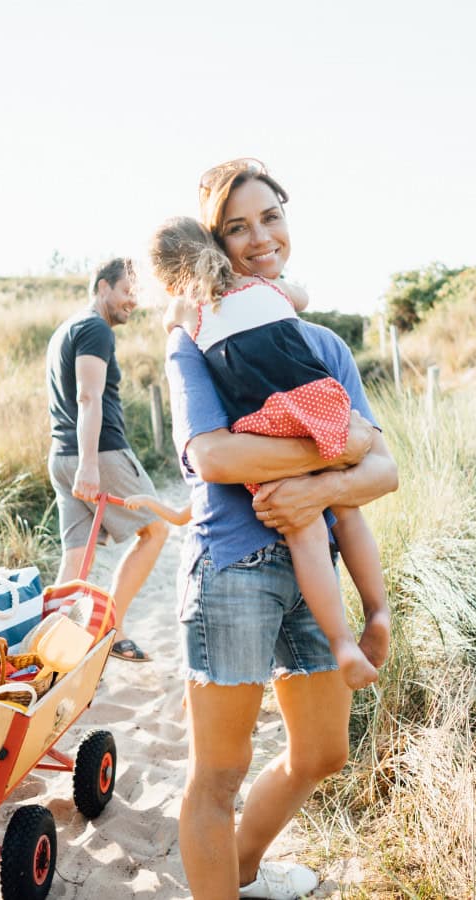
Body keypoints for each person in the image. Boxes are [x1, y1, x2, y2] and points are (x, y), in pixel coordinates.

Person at [164, 158, 398, 900]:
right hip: (232, 566)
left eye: (270, 217)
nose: (259, 237)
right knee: (219, 774)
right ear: (213, 247)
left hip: (314, 568)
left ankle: (240, 868)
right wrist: (336, 448)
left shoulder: (322, 344)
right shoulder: (195, 338)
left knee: (324, 752)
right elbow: (213, 455)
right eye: (237, 227)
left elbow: (384, 469)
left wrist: (319, 489)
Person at [134, 215, 388, 691]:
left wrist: (177, 308)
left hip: (271, 422)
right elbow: (302, 298)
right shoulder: (262, 287)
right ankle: (378, 610)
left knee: (306, 526)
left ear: (167, 280)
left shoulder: (192, 312)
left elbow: (177, 319)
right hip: (320, 400)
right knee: (346, 511)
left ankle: (342, 643)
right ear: (214, 245)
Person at [44, 257, 169, 662]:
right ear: (102, 288)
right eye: (127, 291)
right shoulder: (94, 328)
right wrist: (90, 464)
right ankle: (110, 627)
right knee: (156, 530)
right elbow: (87, 396)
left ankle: (45, 651)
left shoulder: (66, 329)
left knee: (76, 561)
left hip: (61, 456)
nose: (133, 301)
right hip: (99, 453)